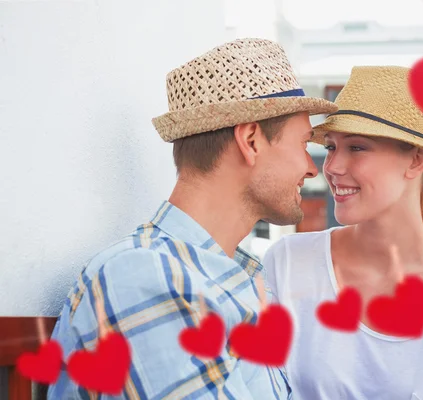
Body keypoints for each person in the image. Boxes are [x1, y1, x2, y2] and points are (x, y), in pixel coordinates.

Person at [48, 38, 337, 399]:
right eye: (302, 144)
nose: (312, 169)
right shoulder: (146, 277)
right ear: (250, 140)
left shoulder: (230, 276)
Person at [263, 66, 423, 400]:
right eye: (331, 147)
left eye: (357, 147)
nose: (332, 167)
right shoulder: (288, 263)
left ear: (417, 160)